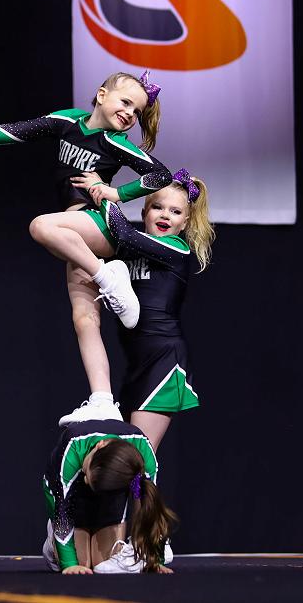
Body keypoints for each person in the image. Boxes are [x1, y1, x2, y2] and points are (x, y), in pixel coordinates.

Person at [0, 72, 172, 425]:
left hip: (98, 225)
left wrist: (115, 193)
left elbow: (161, 175)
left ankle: (108, 275)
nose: (130, 114)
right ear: (101, 95)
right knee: (84, 319)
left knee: (41, 226)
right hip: (76, 237)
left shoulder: (115, 142)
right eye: (125, 103)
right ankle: (103, 399)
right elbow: (15, 131)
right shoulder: (67, 122)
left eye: (136, 112)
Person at [97, 170, 214, 452]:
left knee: (136, 459)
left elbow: (123, 232)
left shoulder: (176, 249)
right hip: (136, 363)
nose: (165, 215)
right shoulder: (129, 252)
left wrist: (101, 193)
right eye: (157, 207)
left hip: (163, 359)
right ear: (144, 212)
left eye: (175, 211)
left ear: (185, 222)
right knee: (119, 459)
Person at [42, 419, 177, 575]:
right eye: (87, 474)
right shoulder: (74, 448)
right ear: (100, 445)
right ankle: (52, 544)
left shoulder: (143, 454)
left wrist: (155, 558)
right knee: (81, 564)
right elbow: (62, 511)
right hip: (70, 491)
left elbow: (149, 507)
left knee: (102, 565)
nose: (86, 479)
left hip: (110, 495)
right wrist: (69, 564)